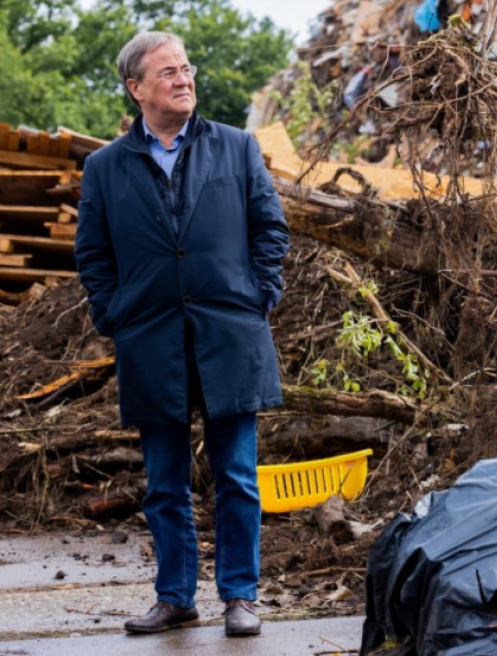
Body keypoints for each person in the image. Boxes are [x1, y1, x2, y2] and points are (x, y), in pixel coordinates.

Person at [74, 31, 289, 637]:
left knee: (238, 480)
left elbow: (270, 230)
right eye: (167, 71)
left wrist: (257, 296)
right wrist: (114, 314)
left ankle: (240, 597)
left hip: (230, 336)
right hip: (150, 341)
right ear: (136, 88)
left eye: (187, 68)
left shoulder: (237, 147)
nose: (183, 78)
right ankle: (175, 597)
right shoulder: (105, 167)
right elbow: (93, 255)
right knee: (164, 485)